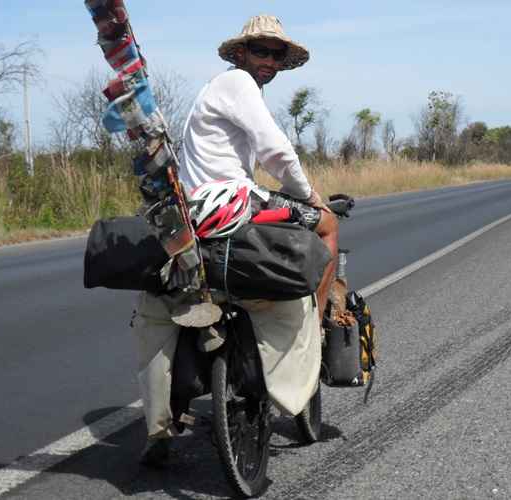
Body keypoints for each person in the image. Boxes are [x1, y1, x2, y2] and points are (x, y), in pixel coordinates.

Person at [132, 14, 338, 467]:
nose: (267, 60)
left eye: (275, 54)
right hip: (226, 204)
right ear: (241, 53)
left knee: (160, 308)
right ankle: (317, 328)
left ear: (283, 61)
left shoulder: (221, 90)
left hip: (192, 209)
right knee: (325, 227)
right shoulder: (238, 84)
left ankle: (160, 425)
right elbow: (276, 152)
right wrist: (312, 197)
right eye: (260, 51)